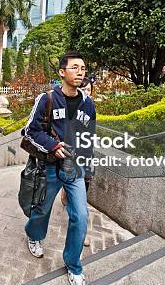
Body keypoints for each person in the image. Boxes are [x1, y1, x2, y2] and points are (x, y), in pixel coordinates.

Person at [23, 52, 96, 285]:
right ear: (62, 72)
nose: (81, 72)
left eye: (83, 68)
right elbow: (30, 131)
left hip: (75, 169)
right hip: (49, 166)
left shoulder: (88, 103)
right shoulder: (47, 99)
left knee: (81, 216)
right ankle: (34, 236)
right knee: (42, 209)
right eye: (75, 68)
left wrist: (88, 168)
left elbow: (89, 137)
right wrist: (53, 146)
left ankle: (73, 265)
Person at [61, 76, 94, 247]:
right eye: (84, 89)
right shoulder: (67, 105)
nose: (86, 93)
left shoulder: (89, 107)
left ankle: (82, 233)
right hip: (63, 156)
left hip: (83, 158)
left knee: (81, 204)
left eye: (89, 90)